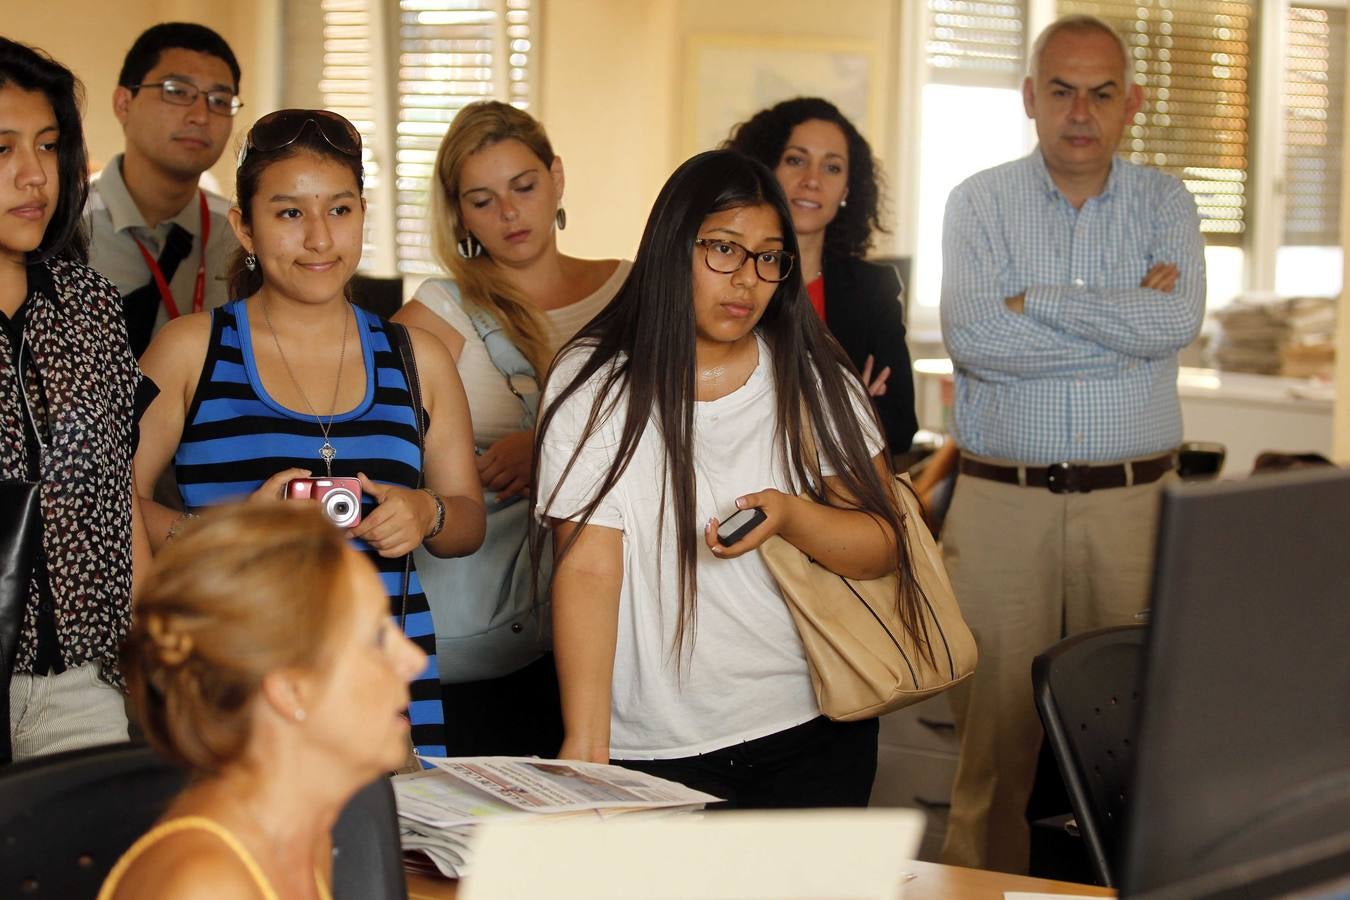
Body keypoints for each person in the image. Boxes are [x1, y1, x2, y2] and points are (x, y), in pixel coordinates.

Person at [534, 149, 928, 808]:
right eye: (723, 249)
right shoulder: (593, 386)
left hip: (813, 730)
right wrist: (585, 738)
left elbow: (883, 543)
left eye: (769, 257)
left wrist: (792, 515)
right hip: (653, 749)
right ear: (672, 247)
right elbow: (589, 569)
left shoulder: (813, 379)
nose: (746, 278)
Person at [132, 108, 485, 760]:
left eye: (341, 210)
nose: (321, 238)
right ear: (244, 226)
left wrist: (424, 511)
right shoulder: (191, 349)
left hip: (387, 691)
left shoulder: (419, 359)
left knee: (394, 862)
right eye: (290, 213)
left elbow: (468, 520)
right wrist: (216, 533)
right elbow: (103, 499)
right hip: (235, 684)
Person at [938, 15, 1205, 873]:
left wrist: (1034, 301)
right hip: (1001, 506)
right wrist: (1124, 321)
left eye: (1100, 93)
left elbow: (1177, 320)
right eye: (1061, 89)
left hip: (1132, 506)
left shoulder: (1167, 201)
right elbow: (976, 339)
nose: (1080, 111)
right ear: (1029, 97)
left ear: (1131, 104)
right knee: (993, 752)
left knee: (1136, 749)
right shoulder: (978, 201)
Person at [392, 100, 628, 756]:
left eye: (523, 187)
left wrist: (550, 447)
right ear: (458, 213)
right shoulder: (441, 309)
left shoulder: (632, 292)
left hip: (623, 623)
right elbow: (376, 447)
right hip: (487, 635)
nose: (510, 213)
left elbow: (677, 439)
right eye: (482, 199)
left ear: (556, 177)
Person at [99, 503, 427, 900]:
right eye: (376, 639)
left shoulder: (302, 834)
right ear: (290, 690)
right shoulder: (205, 886)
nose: (414, 660)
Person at [0, 37, 152, 761]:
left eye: (48, 146)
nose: (34, 176)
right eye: (0, 150)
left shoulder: (88, 304)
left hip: (79, 685)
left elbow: (117, 499)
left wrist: (150, 665)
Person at [725, 97, 917, 453]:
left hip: (840, 502)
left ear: (846, 190)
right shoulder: (725, 278)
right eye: (796, 160)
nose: (812, 181)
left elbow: (900, 428)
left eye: (832, 168)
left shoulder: (874, 290)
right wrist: (850, 405)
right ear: (765, 170)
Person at [85, 23, 242, 357]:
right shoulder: (64, 227)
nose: (200, 115)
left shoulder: (240, 233)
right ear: (123, 103)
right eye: (177, 91)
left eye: (219, 100)